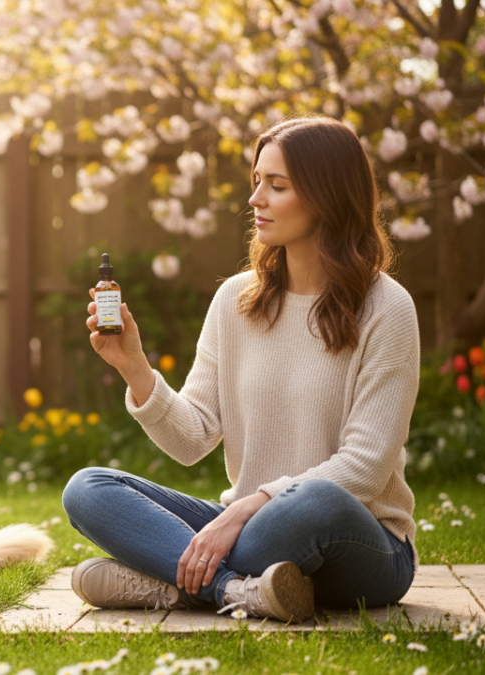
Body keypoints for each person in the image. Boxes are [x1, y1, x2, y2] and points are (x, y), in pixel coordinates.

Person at [61, 115, 420, 623]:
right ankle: (237, 589)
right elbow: (192, 438)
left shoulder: (387, 308)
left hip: (358, 539)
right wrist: (134, 366)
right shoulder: (237, 300)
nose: (255, 200)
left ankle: (175, 581)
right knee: (87, 489)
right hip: (251, 529)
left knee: (313, 500)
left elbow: (363, 468)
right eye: (256, 183)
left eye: (277, 185)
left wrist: (247, 508)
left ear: (328, 196)